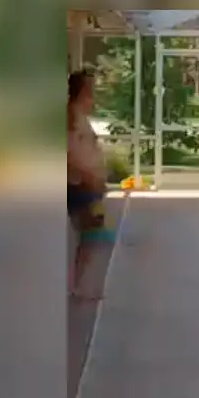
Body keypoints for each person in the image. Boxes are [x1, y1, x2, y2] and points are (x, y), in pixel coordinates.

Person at [67, 70, 113, 299]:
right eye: (89, 91)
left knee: (92, 236)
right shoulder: (71, 119)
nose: (93, 97)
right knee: (94, 235)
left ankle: (81, 284)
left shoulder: (81, 118)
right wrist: (89, 177)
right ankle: (81, 286)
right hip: (80, 186)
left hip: (88, 186)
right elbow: (68, 156)